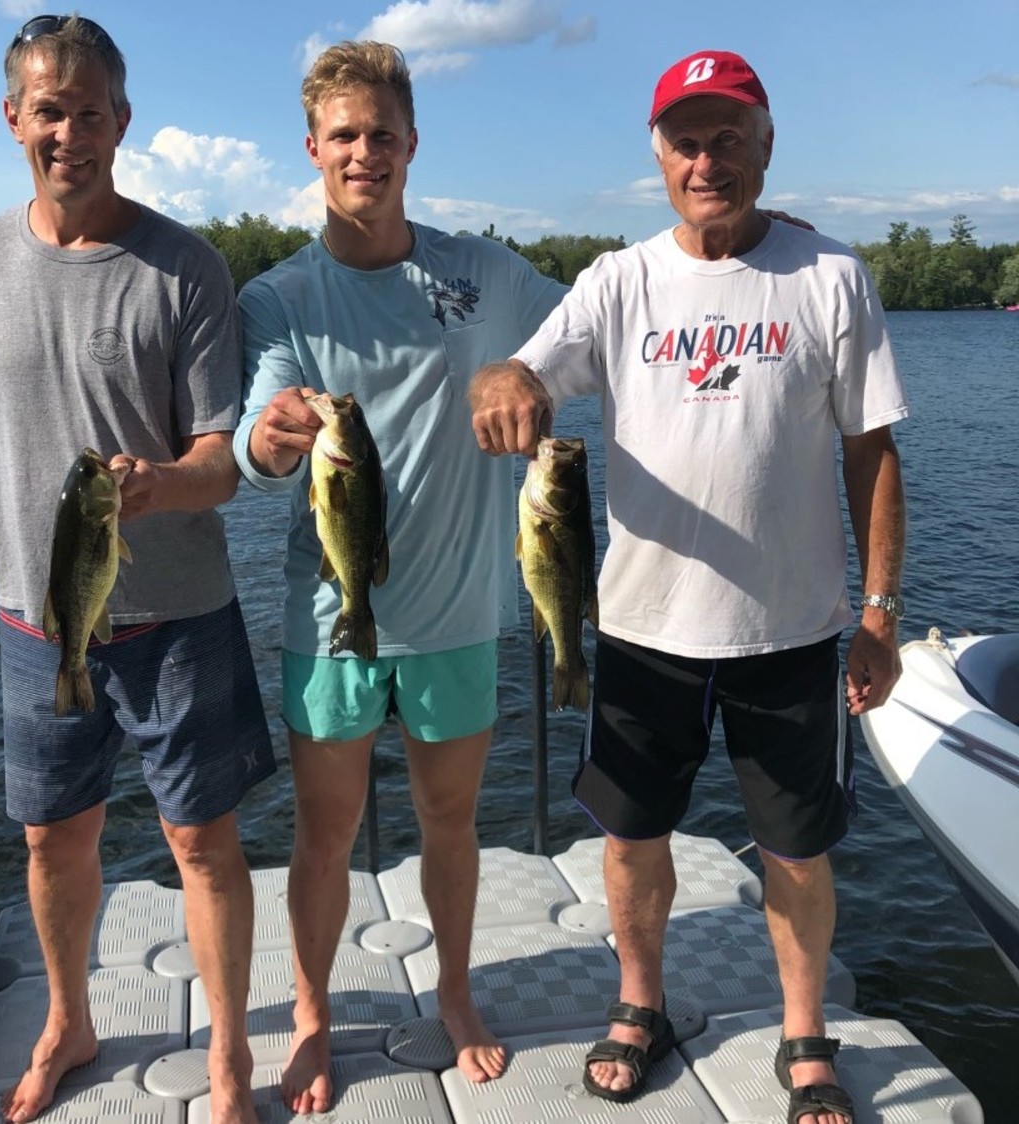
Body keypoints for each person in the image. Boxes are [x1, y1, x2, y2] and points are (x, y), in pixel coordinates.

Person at [470, 49, 906, 1124]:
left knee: (798, 850)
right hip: (641, 626)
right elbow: (528, 369)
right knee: (633, 839)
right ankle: (639, 1003)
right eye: (686, 139)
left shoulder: (830, 276)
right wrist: (503, 378)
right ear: (658, 155)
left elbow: (874, 453)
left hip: (793, 630)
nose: (706, 159)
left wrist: (880, 611)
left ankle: (805, 1034)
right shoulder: (619, 281)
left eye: (727, 137)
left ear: (765, 147)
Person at [0, 16, 275, 1124]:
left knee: (202, 845)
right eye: (49, 107)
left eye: (91, 109)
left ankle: (227, 1055)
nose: (70, 130)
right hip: (37, 620)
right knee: (50, 838)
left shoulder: (188, 265)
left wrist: (162, 482)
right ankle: (69, 1017)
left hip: (179, 614)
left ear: (124, 120)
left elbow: (224, 456)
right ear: (15, 116)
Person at [231, 40, 567, 1114]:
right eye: (344, 134)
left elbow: (610, 322)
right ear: (313, 149)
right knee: (324, 832)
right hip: (332, 615)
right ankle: (318, 1015)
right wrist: (271, 440)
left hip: (464, 607)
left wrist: (532, 367)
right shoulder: (281, 296)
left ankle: (457, 992)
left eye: (382, 133)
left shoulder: (489, 275)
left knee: (451, 819)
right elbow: (256, 430)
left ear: (412, 144)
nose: (364, 151)